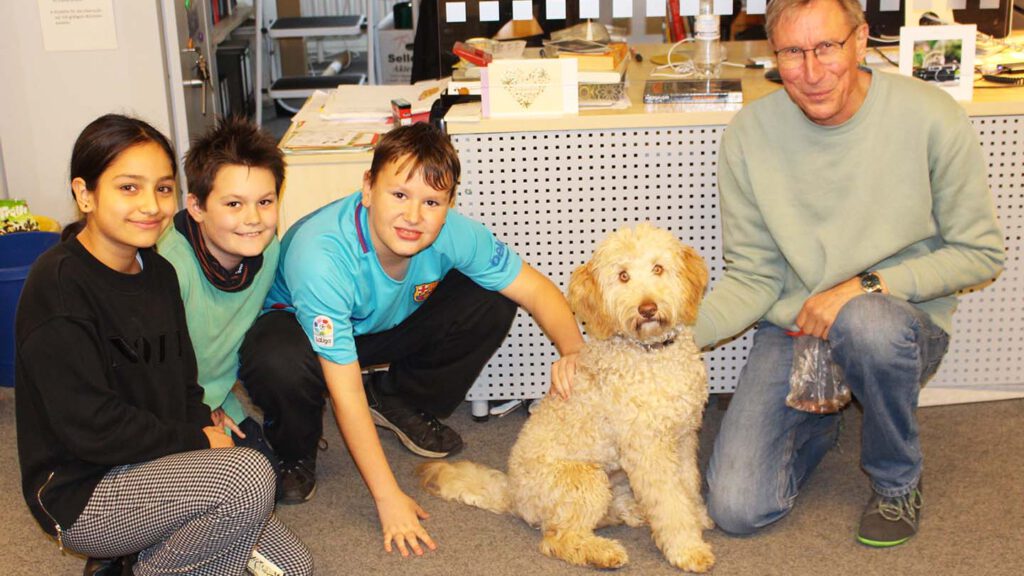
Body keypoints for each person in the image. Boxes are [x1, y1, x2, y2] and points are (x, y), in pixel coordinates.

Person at [694, 0, 1005, 548]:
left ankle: (896, 481)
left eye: (827, 47)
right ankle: (823, 415)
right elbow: (754, 276)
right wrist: (666, 339)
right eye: (793, 52)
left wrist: (862, 288)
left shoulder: (931, 115)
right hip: (796, 330)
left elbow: (979, 254)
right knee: (737, 509)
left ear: (860, 40)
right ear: (774, 54)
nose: (811, 71)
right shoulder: (750, 133)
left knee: (866, 324)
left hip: (898, 324)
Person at [239, 122, 583, 556]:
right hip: (301, 334)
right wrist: (388, 498)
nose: (414, 216)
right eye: (399, 195)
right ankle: (295, 449)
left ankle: (398, 399)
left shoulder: (455, 233)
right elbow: (345, 392)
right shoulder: (321, 254)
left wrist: (574, 351)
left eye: (431, 202)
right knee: (275, 358)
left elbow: (535, 289)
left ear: (448, 204)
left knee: (493, 297)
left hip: (381, 324)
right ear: (368, 189)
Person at [14, 114, 312, 575]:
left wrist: (205, 428)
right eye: (128, 188)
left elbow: (183, 386)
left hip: (157, 464)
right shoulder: (58, 286)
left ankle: (135, 559)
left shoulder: (158, 273)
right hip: (85, 489)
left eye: (163, 188)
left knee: (293, 568)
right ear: (85, 194)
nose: (151, 205)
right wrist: (198, 440)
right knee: (250, 477)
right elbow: (90, 427)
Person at [157, 116, 284, 462]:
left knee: (264, 475)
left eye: (265, 202)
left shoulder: (268, 248)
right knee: (239, 481)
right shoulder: (168, 266)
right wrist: (200, 416)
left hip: (217, 395)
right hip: (166, 405)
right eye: (233, 204)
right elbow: (153, 372)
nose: (253, 218)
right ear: (196, 207)